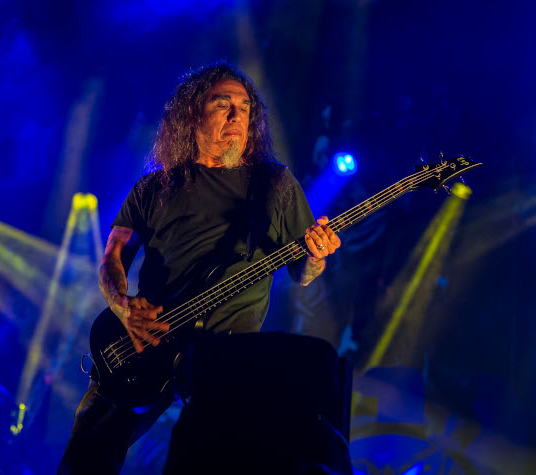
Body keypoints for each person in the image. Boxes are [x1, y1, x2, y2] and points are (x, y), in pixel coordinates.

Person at [58, 63, 341, 474]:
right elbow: (112, 257)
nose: (237, 116)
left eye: (245, 107)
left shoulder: (275, 185)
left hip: (228, 355)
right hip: (147, 341)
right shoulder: (154, 187)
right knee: (86, 456)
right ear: (191, 115)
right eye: (223, 105)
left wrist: (316, 255)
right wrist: (123, 307)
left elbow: (303, 273)